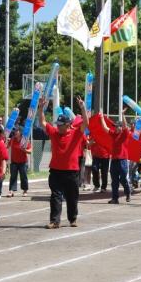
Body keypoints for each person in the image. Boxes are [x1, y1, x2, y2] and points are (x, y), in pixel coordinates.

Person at [38, 96, 88, 228]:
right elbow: (42, 122)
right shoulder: (54, 133)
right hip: (55, 171)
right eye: (57, 125)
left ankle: (72, 219)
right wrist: (40, 108)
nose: (58, 127)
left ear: (67, 125)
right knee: (55, 196)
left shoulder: (76, 133)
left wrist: (82, 108)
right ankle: (54, 221)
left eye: (60, 125)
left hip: (71, 171)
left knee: (72, 197)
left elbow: (85, 124)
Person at [100, 110, 131, 204]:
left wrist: (123, 114)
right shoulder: (113, 134)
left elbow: (126, 126)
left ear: (121, 127)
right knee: (114, 181)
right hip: (114, 160)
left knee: (122, 178)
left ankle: (127, 191)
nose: (116, 128)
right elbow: (105, 128)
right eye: (115, 126)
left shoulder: (124, 134)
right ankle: (115, 198)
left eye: (118, 126)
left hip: (122, 160)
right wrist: (101, 118)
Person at [7, 126, 32, 197]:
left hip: (23, 162)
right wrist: (6, 141)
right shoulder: (12, 139)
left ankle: (25, 190)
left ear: (20, 132)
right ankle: (11, 191)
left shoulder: (25, 140)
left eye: (16, 131)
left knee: (23, 176)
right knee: (13, 176)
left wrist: (25, 150)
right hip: (14, 161)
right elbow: (6, 146)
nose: (15, 132)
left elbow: (30, 151)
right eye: (14, 131)